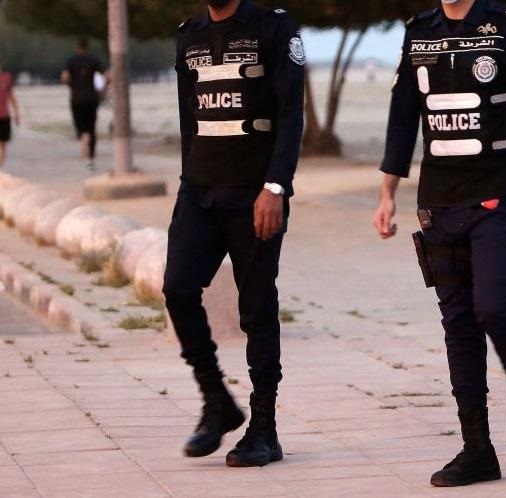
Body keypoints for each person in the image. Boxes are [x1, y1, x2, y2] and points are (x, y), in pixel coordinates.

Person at [373, 0, 506, 487]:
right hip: (440, 198)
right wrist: (387, 192)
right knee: (459, 322)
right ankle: (477, 449)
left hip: (503, 191)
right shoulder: (419, 31)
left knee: (493, 305)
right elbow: (403, 115)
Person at [163, 0, 304, 468]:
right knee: (178, 289)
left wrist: (276, 187)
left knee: (257, 310)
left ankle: (264, 429)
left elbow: (291, 114)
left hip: (255, 195)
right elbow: (188, 119)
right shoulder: (189, 34)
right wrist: (188, 180)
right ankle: (216, 400)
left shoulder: (273, 28)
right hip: (199, 193)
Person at [61, 37, 108, 171]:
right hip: (91, 97)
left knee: (80, 124)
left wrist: (71, 85)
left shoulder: (71, 61)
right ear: (88, 47)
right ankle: (90, 158)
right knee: (92, 126)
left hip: (76, 98)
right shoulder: (94, 60)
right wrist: (102, 89)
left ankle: (83, 136)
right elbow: (107, 76)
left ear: (77, 47)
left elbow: (64, 77)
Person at [0, 64, 20, 167]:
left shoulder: (6, 77)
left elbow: (11, 96)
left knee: (3, 144)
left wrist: (17, 114)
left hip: (4, 116)